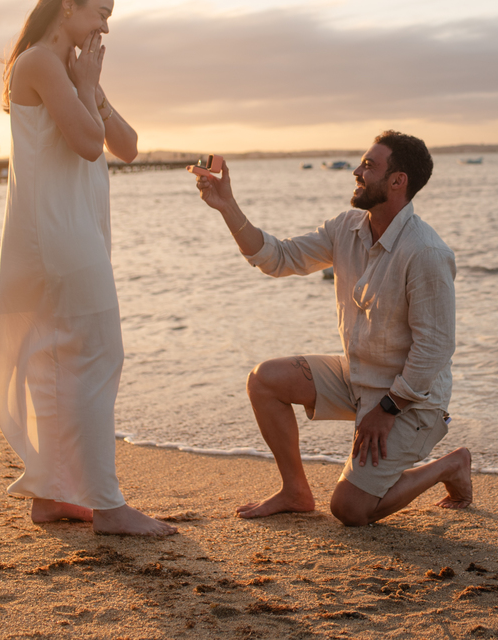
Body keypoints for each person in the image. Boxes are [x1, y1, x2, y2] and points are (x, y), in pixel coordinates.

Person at [189, 131, 472, 526]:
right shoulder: (346, 228)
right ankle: (295, 492)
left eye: (369, 166)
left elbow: (435, 350)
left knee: (350, 509)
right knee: (264, 380)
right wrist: (227, 206)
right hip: (359, 376)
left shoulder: (426, 252)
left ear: (398, 181)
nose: (356, 172)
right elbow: (278, 258)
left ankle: (449, 466)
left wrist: (387, 410)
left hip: (412, 399)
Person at [0, 0, 175, 536]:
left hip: (67, 235)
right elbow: (89, 145)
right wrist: (87, 83)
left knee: (60, 365)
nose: (106, 27)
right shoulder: (41, 63)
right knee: (98, 357)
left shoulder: (70, 67)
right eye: (101, 13)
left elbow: (129, 147)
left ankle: (49, 496)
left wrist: (92, 87)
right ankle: (109, 506)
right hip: (57, 237)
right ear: (67, 6)